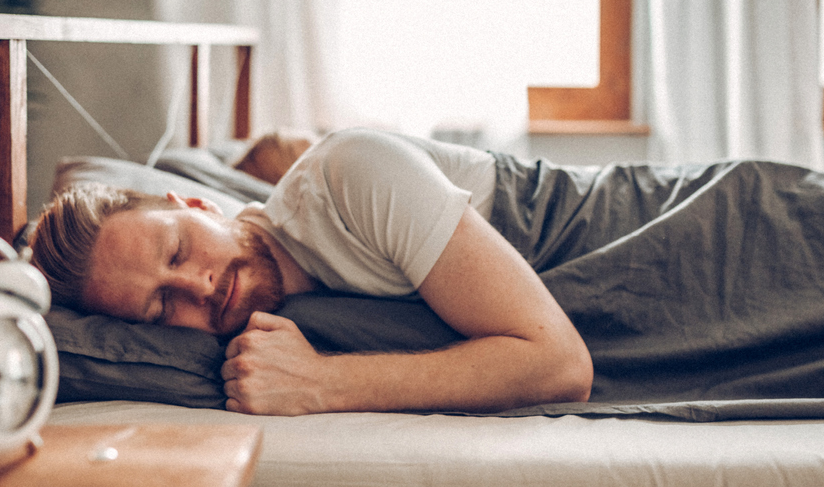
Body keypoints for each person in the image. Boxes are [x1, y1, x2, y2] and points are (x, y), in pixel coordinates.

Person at [29, 128, 594, 416]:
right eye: (159, 308)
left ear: (199, 206)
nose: (197, 287)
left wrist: (323, 384)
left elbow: (561, 363)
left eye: (177, 251)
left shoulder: (350, 175)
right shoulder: (302, 307)